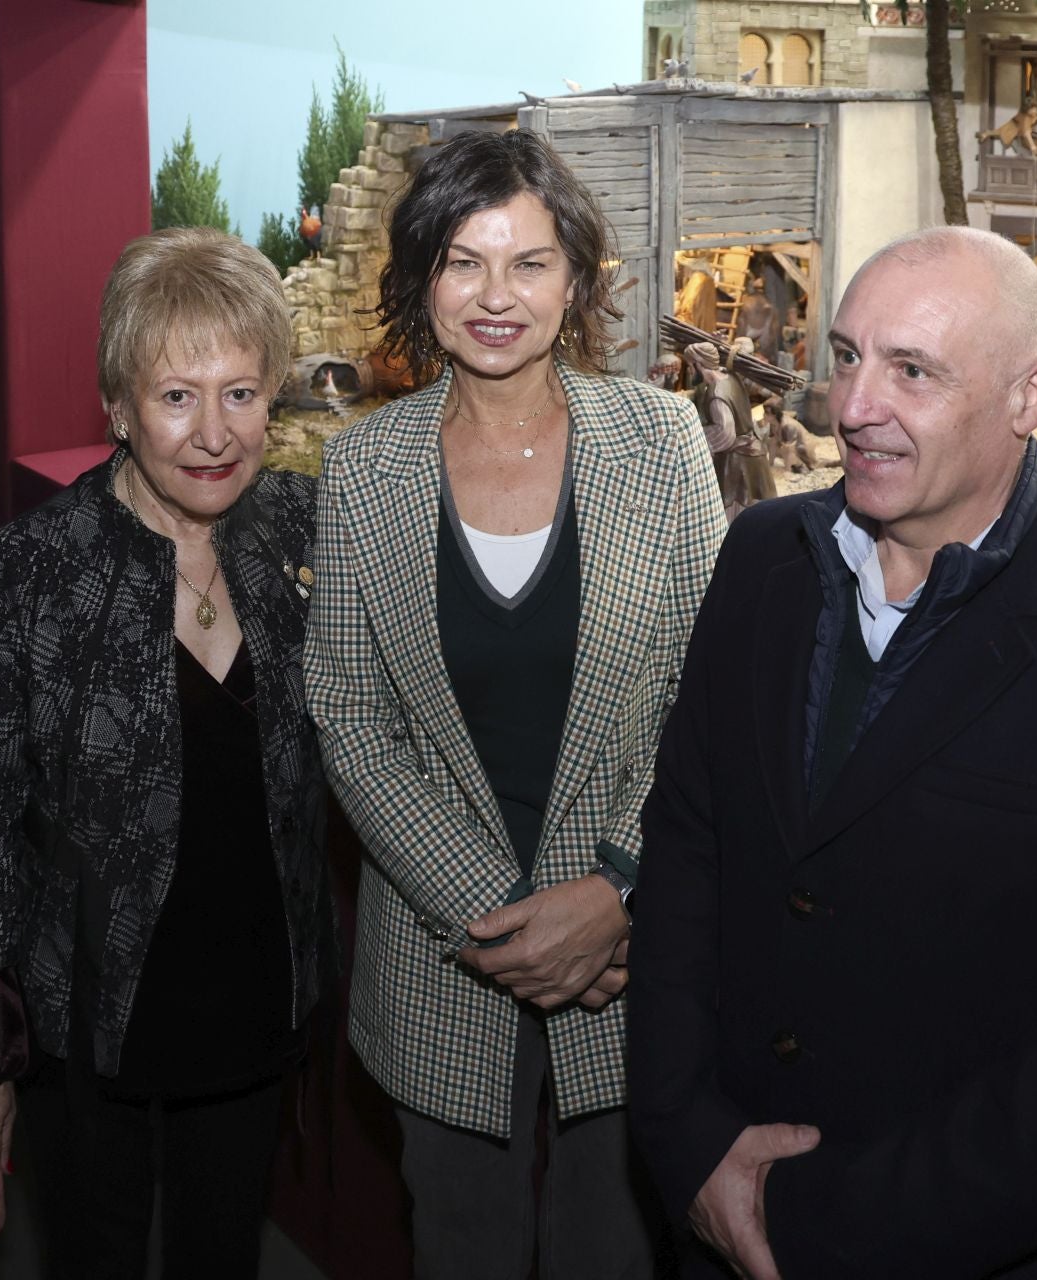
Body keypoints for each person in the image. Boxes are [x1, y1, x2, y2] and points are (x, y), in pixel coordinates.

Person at [627, 226, 1037, 1279]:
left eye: (911, 370)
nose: (853, 406)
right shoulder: (760, 562)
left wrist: (805, 1219)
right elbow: (689, 847)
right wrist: (689, 1143)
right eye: (848, 355)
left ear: (1030, 397)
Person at [303, 128, 728, 1280]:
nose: (497, 296)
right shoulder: (364, 469)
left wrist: (617, 890)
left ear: (577, 278)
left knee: (617, 1250)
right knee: (463, 1249)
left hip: (635, 957)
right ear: (416, 281)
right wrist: (511, 918)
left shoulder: (662, 441)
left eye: (530, 262)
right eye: (462, 261)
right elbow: (348, 714)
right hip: (446, 957)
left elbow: (712, 690)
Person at [0, 228, 332, 1276]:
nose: (214, 433)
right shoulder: (33, 575)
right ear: (118, 409)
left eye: (241, 392)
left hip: (257, 1011)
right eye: (177, 396)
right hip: (86, 1036)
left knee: (223, 1257)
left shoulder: (307, 540)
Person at [685, 339, 778, 520]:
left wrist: (694, 433)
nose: (689, 371)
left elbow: (724, 434)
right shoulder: (730, 377)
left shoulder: (717, 395)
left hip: (737, 466)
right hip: (752, 456)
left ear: (698, 364)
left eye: (689, 366)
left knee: (735, 521)